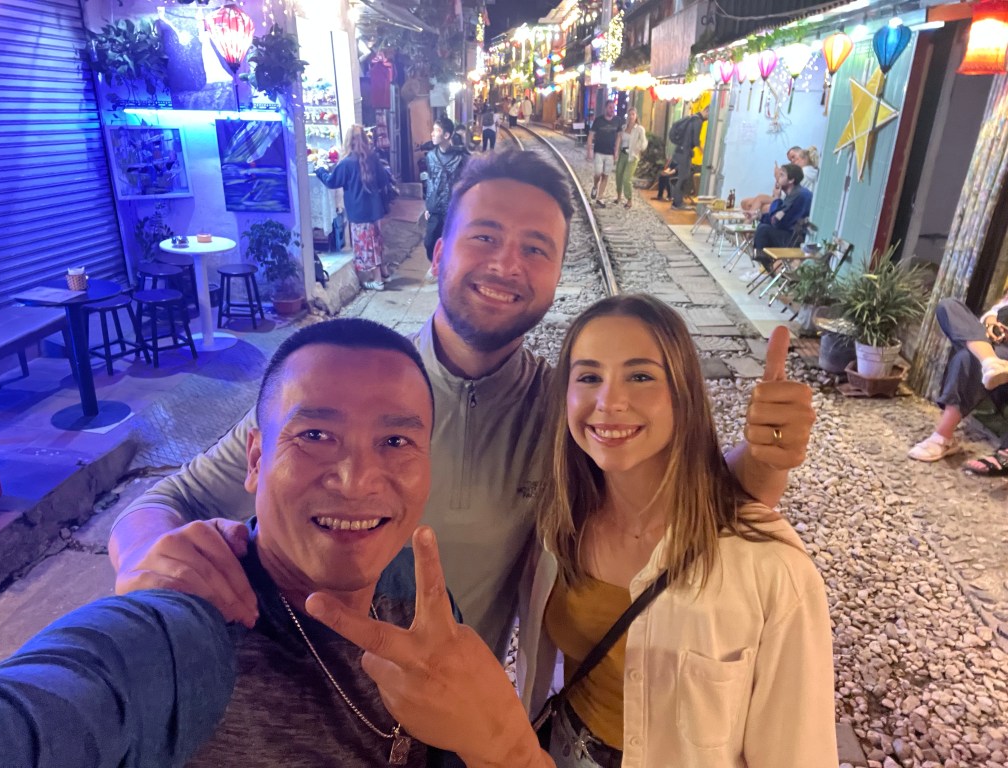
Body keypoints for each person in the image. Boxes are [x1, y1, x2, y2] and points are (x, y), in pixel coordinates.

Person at [108, 149, 815, 664]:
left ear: (555, 279)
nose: (507, 265)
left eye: (536, 249)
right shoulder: (343, 380)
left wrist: (763, 457)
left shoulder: (566, 417)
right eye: (485, 238)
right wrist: (150, 558)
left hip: (439, 725)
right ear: (440, 252)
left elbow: (681, 495)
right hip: (298, 710)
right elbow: (164, 503)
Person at [312, 295, 837, 768]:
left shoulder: (772, 569)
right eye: (588, 377)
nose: (609, 401)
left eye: (640, 376)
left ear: (684, 394)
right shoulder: (558, 526)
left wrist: (765, 463)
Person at [0, 319, 466, 767]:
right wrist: (143, 559)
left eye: (396, 442)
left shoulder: (421, 601)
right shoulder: (194, 633)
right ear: (255, 459)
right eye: (316, 435)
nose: (357, 482)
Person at [908, 295, 1008, 470]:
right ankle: (989, 361)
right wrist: (991, 323)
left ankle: (942, 438)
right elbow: (995, 310)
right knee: (948, 305)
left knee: (967, 358)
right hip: (993, 344)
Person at [316, 124, 389, 291]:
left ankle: (377, 280)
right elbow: (384, 180)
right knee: (375, 242)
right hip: (375, 210)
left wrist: (319, 170)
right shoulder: (372, 158)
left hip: (358, 211)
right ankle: (383, 272)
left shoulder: (346, 163)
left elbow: (331, 182)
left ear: (348, 141)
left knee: (366, 246)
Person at [751, 162, 813, 274]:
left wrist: (776, 198)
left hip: (796, 240)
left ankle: (768, 267)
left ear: (791, 180)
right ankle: (766, 266)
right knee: (762, 226)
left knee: (763, 230)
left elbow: (777, 221)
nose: (778, 178)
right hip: (790, 233)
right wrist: (760, 216)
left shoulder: (799, 195)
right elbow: (778, 217)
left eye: (782, 175)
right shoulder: (794, 193)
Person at [423, 116, 469, 264]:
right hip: (435, 208)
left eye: (437, 131)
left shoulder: (461, 158)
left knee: (452, 242)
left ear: (446, 135)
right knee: (429, 242)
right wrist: (428, 206)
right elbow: (430, 182)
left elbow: (468, 182)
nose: (432, 134)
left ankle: (448, 268)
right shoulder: (430, 156)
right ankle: (437, 265)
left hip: (453, 208)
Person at [740, 146, 801, 217]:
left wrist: (777, 176)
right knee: (745, 202)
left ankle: (749, 220)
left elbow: (788, 188)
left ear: (801, 154)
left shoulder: (801, 173)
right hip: (778, 197)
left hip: (783, 200)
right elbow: (780, 187)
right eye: (790, 159)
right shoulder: (793, 169)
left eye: (793, 157)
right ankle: (751, 219)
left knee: (759, 200)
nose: (792, 161)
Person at [669, 106, 708, 210]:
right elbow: (695, 140)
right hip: (685, 154)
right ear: (706, 111)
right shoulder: (698, 121)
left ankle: (677, 201)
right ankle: (677, 204)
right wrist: (702, 149)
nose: (707, 119)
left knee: (681, 178)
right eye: (709, 116)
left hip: (680, 151)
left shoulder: (692, 118)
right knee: (683, 178)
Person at [587, 100, 622, 209]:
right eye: (610, 107)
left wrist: (616, 150)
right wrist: (589, 150)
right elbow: (591, 135)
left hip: (610, 153)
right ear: (606, 108)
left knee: (606, 175)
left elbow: (619, 136)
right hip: (599, 151)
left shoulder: (617, 120)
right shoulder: (598, 120)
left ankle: (600, 197)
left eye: (613, 107)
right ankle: (595, 186)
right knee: (598, 173)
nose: (612, 110)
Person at [613, 107, 647, 209]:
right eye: (629, 114)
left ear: (636, 116)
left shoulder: (639, 129)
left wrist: (638, 149)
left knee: (626, 178)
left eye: (633, 114)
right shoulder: (624, 127)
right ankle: (618, 196)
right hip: (623, 154)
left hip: (632, 156)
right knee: (618, 175)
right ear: (627, 116)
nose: (631, 116)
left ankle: (629, 199)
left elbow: (644, 142)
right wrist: (616, 151)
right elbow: (619, 139)